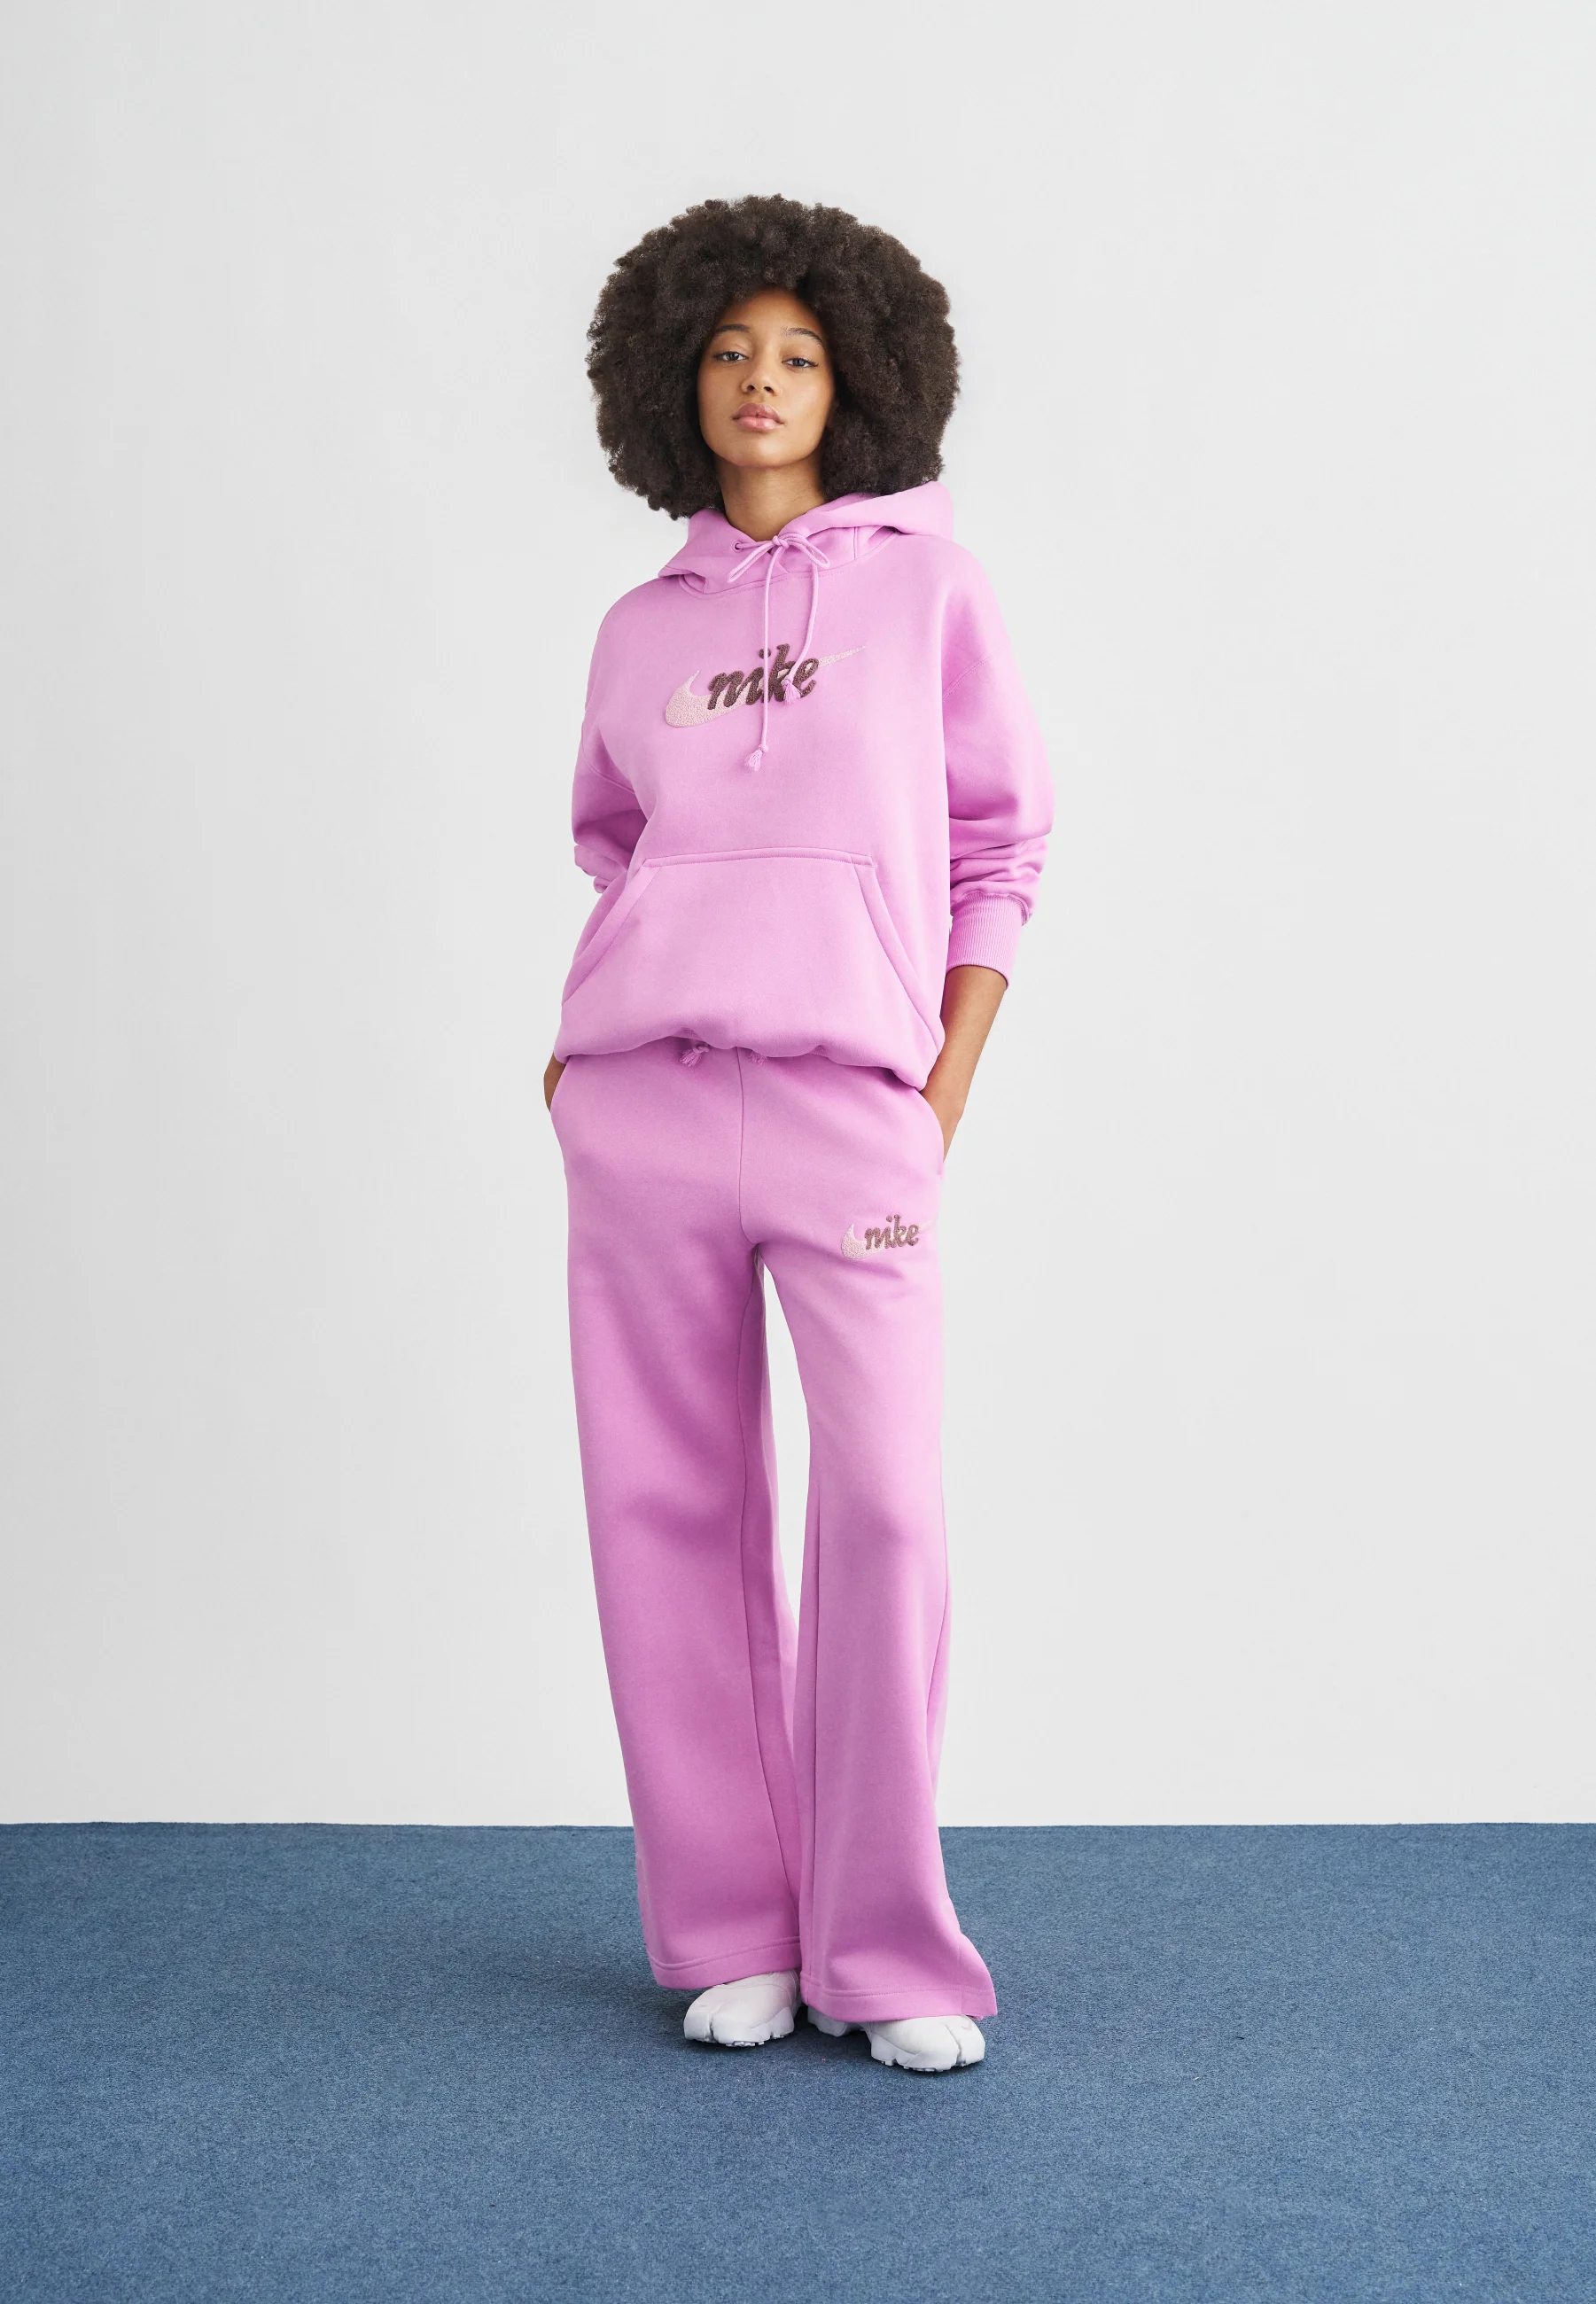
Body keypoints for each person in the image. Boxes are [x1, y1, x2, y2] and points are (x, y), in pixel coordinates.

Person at [544, 196, 1052, 2075]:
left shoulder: (930, 592)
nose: (763, 381)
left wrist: (944, 1083)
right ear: (675, 381)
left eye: (802, 354)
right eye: (730, 352)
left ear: (861, 380)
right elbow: (615, 849)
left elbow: (1001, 845)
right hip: (646, 1104)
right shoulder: (637, 629)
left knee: (887, 1509)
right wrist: (577, 1060)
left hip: (853, 1107)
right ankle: (733, 1930)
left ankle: (886, 1945)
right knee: (664, 1515)